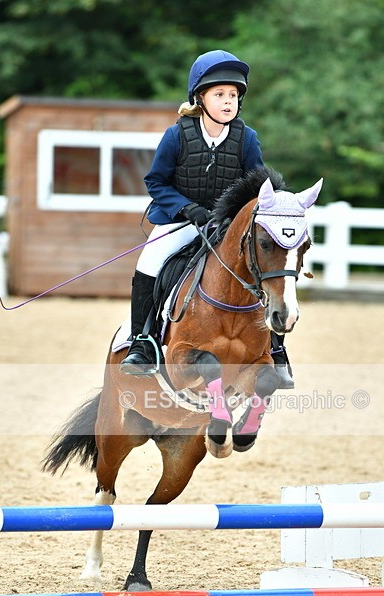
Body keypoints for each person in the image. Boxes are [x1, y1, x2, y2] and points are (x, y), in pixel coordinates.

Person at [120, 49, 294, 387]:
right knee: (150, 260)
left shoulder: (247, 138)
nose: (228, 101)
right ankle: (143, 342)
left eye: (233, 95)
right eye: (220, 95)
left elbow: (259, 187)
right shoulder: (178, 135)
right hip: (179, 220)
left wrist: (233, 218)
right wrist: (188, 209)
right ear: (201, 98)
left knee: (263, 267)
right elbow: (155, 182)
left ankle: (275, 348)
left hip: (227, 226)